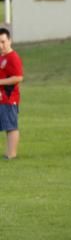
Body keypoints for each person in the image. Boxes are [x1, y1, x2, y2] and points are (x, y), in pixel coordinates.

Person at [0, 27, 23, 159]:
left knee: (11, 126)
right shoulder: (3, 57)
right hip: (2, 98)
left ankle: (12, 154)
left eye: (3, 42)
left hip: (10, 98)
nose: (1, 45)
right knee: (6, 126)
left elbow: (19, 77)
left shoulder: (13, 57)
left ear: (10, 41)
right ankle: (8, 152)